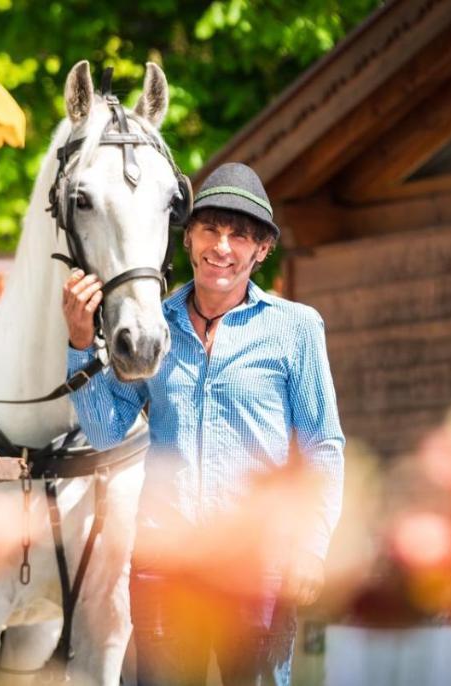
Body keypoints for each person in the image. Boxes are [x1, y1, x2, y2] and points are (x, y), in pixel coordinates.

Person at [61, 162, 345, 685]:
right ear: (187, 238)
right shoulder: (155, 327)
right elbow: (104, 429)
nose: (222, 246)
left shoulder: (296, 329)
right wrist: (81, 346)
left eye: (240, 235)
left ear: (261, 251)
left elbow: (323, 447)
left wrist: (311, 546)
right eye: (210, 229)